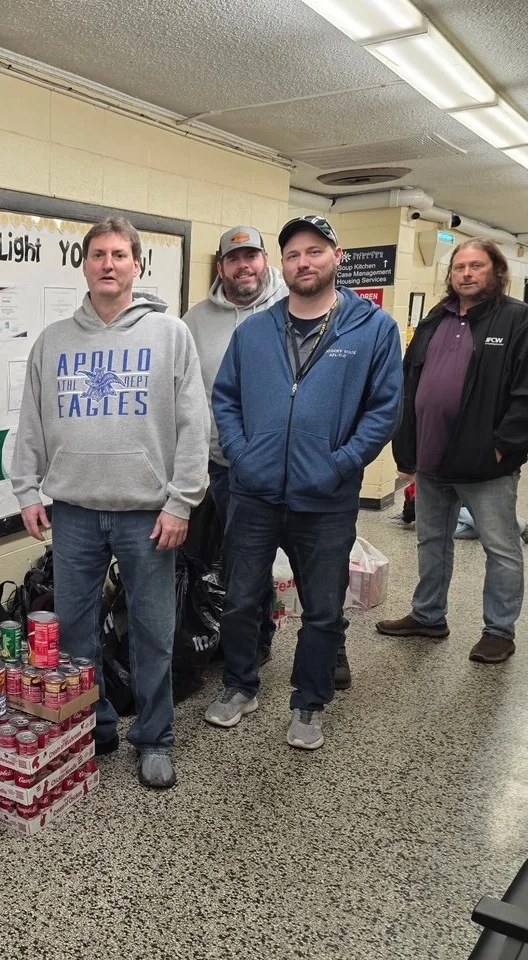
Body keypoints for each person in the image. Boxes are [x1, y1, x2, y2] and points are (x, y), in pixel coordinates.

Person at [12, 216, 209, 789]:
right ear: (85, 264)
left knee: (151, 630)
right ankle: (92, 726)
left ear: (137, 265)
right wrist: (27, 490)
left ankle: (155, 737)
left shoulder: (170, 335)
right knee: (75, 630)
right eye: (98, 254)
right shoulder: (53, 341)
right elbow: (30, 422)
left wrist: (180, 503)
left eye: (119, 254)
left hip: (148, 514)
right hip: (73, 511)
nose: (108, 264)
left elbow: (195, 426)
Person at [203, 215, 402, 750]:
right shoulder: (255, 331)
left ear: (337, 257)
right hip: (255, 494)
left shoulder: (372, 328)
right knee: (243, 598)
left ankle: (309, 703)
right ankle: (241, 685)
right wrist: (243, 456)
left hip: (327, 500)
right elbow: (225, 397)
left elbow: (383, 410)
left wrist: (340, 463)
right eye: (293, 255)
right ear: (282, 266)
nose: (303, 262)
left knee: (323, 608)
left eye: (314, 251)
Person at [377, 238, 528, 664]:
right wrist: (407, 449)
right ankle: (428, 615)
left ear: (496, 272)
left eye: (476, 266)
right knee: (432, 540)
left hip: (486, 465)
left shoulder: (522, 322)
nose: (467, 274)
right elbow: (409, 382)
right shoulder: (435, 320)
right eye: (459, 267)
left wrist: (500, 448)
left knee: (501, 547)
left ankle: (498, 630)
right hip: (431, 457)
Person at [181, 226, 288, 671]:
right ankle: (254, 636)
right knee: (245, 556)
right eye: (234, 258)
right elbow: (184, 391)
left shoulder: (292, 309)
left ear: (265, 260)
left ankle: (328, 647)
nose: (244, 266)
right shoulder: (195, 321)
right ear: (221, 266)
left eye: (252, 256)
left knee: (313, 559)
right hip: (225, 465)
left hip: (289, 463)